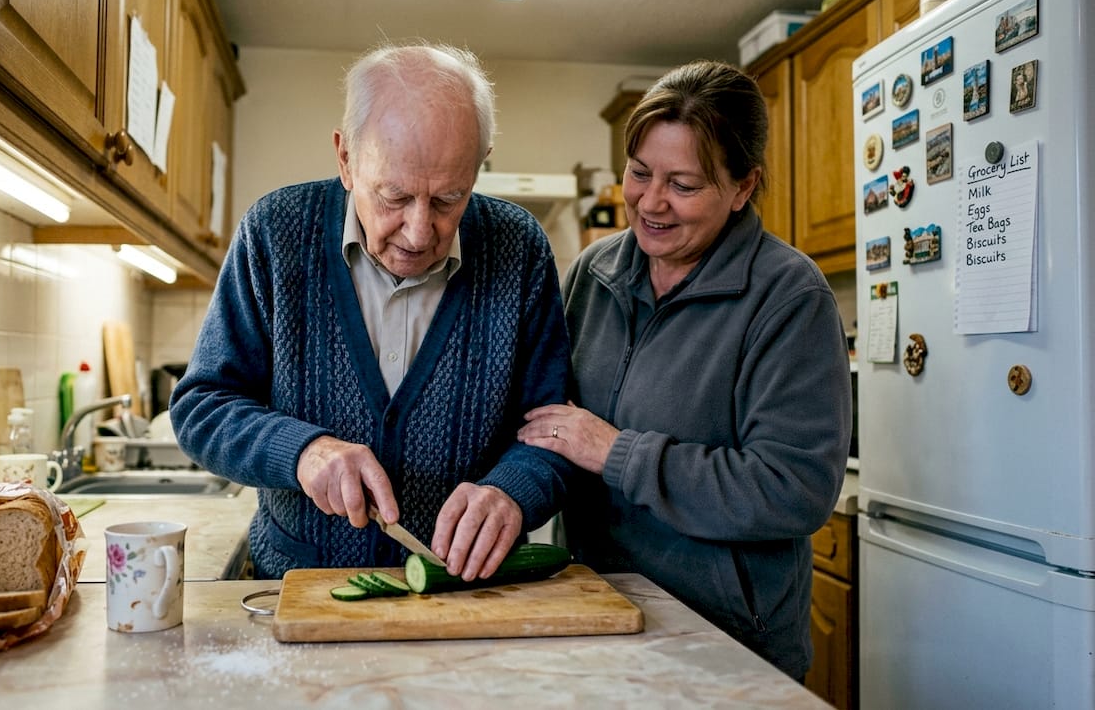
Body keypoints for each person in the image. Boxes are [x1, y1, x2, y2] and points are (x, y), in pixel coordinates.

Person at [170, 43, 572, 584]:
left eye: (450, 199)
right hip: (299, 585)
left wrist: (512, 493)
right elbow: (203, 407)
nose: (419, 231)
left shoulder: (519, 248)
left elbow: (554, 433)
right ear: (345, 158)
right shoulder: (274, 233)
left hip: (468, 597)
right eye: (394, 196)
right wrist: (304, 451)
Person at [517, 60, 851, 679]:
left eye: (685, 184)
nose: (651, 202)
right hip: (599, 609)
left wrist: (619, 453)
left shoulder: (788, 297)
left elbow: (794, 490)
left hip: (727, 638)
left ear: (743, 188)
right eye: (640, 174)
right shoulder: (593, 273)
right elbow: (554, 426)